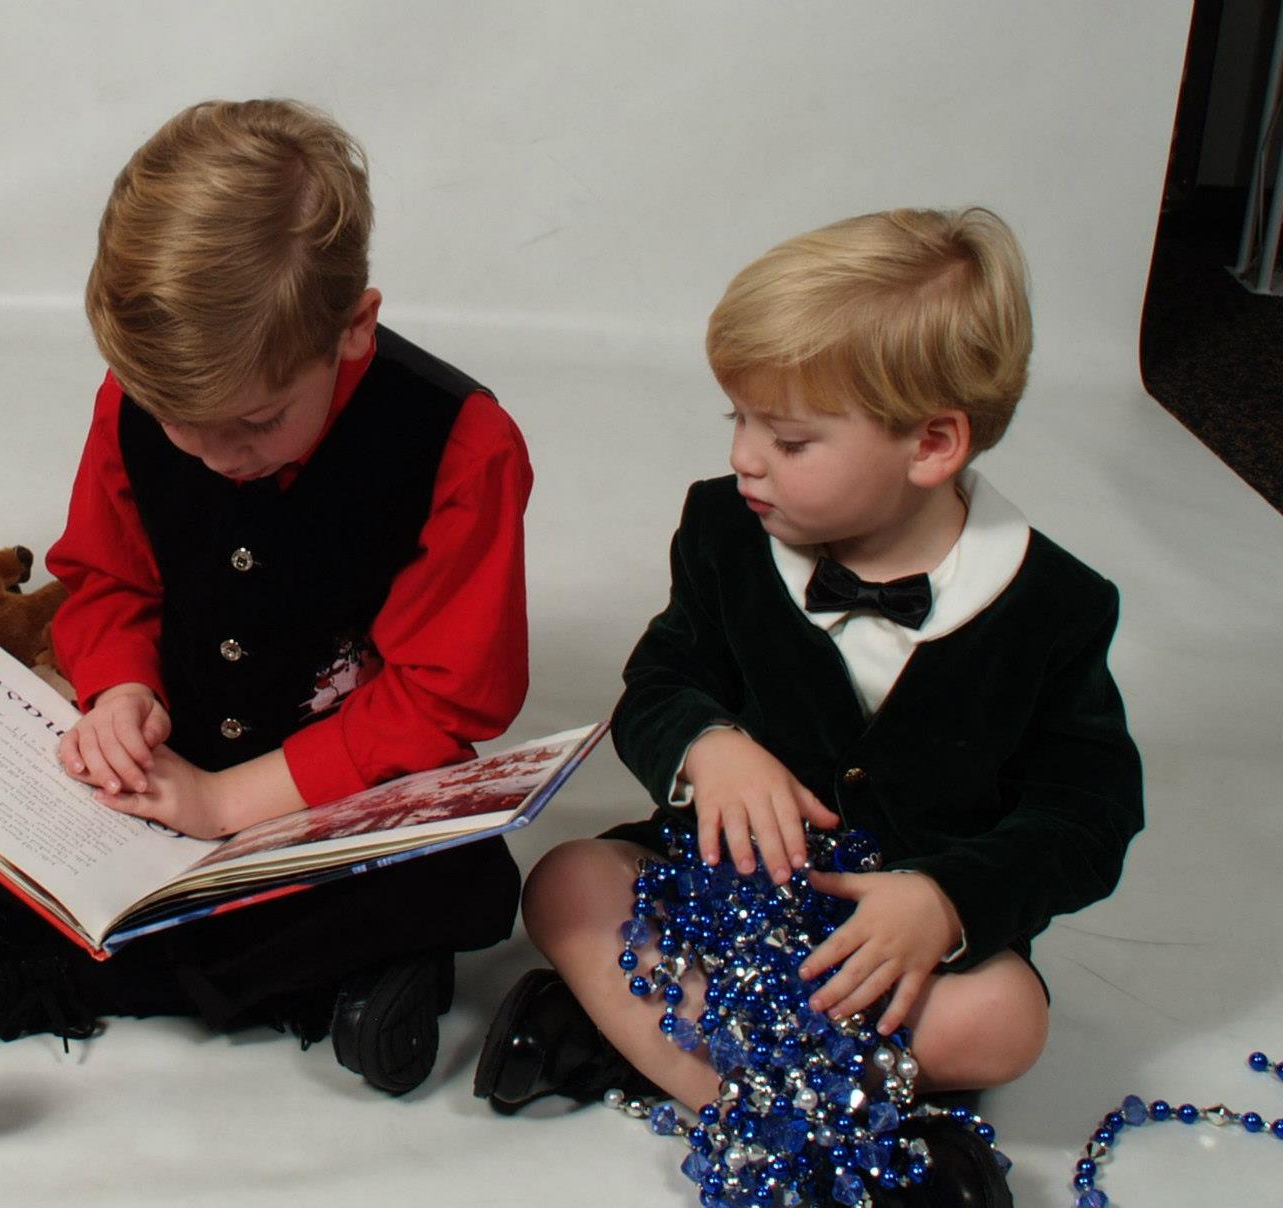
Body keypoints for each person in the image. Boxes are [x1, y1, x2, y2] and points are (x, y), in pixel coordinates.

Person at [474, 207, 1143, 1202]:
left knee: (1005, 1018)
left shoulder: (1054, 608)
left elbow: (1086, 813)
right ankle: (809, 1114)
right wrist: (709, 744)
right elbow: (659, 678)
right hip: (716, 892)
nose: (744, 456)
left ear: (930, 443)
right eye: (734, 419)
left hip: (882, 943)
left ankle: (650, 1044)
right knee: (565, 880)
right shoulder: (722, 529)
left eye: (786, 437)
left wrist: (947, 899)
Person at [0, 98, 534, 1098]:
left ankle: (14, 968)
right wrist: (116, 691)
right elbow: (103, 579)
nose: (211, 455)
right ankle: (307, 989)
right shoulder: (141, 399)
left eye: (255, 420)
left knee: (470, 879)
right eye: (174, 421)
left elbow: (444, 699)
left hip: (325, 788)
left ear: (351, 327)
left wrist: (231, 800)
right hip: (163, 757)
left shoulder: (460, 444)